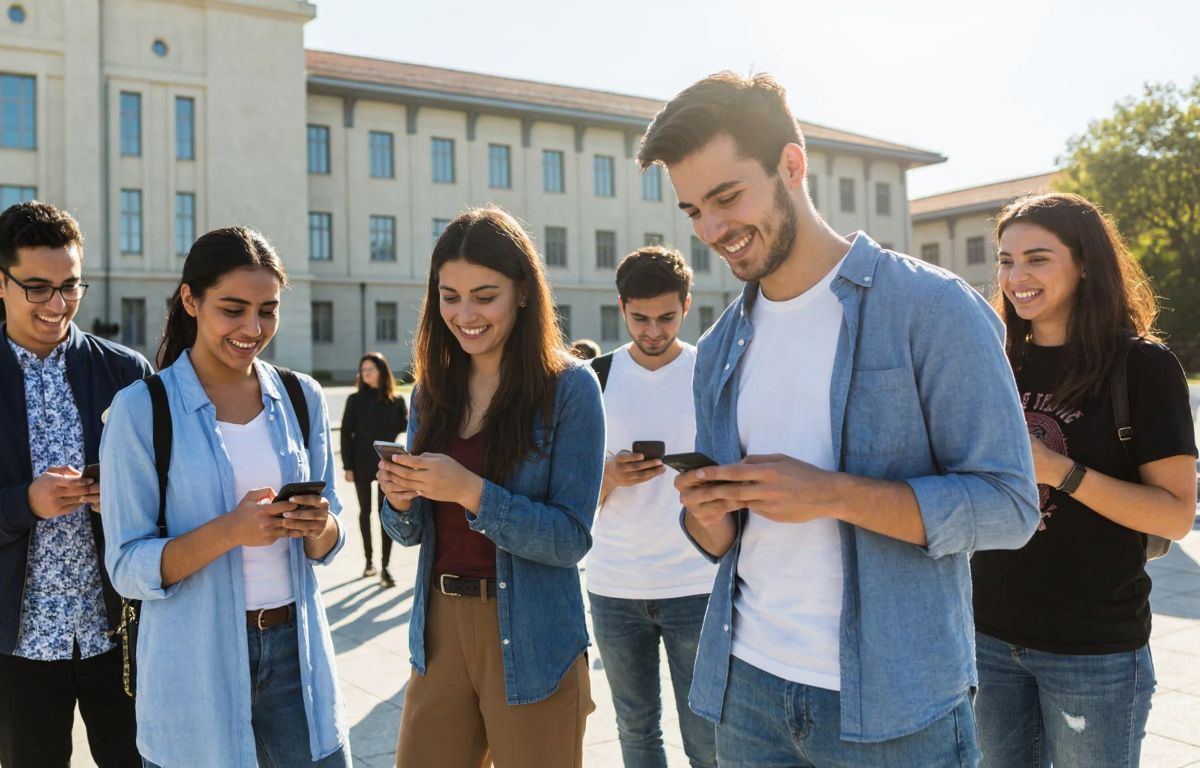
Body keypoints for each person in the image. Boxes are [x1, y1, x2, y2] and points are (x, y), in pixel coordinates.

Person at [639, 72, 1039, 766]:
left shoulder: (930, 308)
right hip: (745, 691)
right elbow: (722, 542)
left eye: (727, 197)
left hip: (895, 708)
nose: (712, 230)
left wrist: (830, 494)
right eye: (692, 210)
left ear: (792, 166)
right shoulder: (720, 348)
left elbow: (1010, 507)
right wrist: (706, 513)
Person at [100, 226, 350, 767]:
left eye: (268, 310)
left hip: (297, 658)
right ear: (190, 300)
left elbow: (333, 536)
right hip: (194, 664)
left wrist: (318, 526)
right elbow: (125, 565)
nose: (252, 328)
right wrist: (230, 532)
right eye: (232, 310)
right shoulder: (140, 409)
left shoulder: (301, 397)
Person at [0, 201, 149, 768]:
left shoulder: (128, 374)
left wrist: (116, 499)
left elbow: (167, 495)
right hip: (15, 643)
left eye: (70, 286)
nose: (57, 304)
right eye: (37, 288)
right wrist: (27, 502)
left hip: (121, 636)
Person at [971, 192, 1197, 768]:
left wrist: (1058, 471)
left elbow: (1173, 514)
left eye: (1038, 258)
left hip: (1092, 651)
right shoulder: (994, 360)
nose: (1016, 275)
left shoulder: (1142, 366)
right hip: (985, 638)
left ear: (1086, 263)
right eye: (1005, 260)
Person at [377, 207, 602, 768]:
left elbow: (571, 537)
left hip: (532, 633)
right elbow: (408, 532)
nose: (464, 314)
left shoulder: (570, 389)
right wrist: (400, 498)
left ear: (523, 292)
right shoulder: (431, 392)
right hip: (438, 630)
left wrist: (473, 491)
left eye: (484, 295)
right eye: (449, 297)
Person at [587, 246, 718, 768]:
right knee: (636, 732)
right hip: (613, 587)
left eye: (666, 317)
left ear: (688, 305)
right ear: (621, 308)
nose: (653, 330)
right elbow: (566, 494)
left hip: (696, 585)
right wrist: (609, 475)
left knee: (706, 738)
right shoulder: (592, 379)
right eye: (640, 318)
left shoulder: (710, 374)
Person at [340, 351, 408, 587]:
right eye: (363, 369)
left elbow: (406, 429)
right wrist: (347, 466)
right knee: (364, 511)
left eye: (370, 369)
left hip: (387, 465)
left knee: (384, 513)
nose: (365, 373)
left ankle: (385, 566)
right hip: (360, 463)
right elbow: (346, 434)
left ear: (381, 371)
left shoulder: (397, 401)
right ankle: (369, 561)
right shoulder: (355, 400)